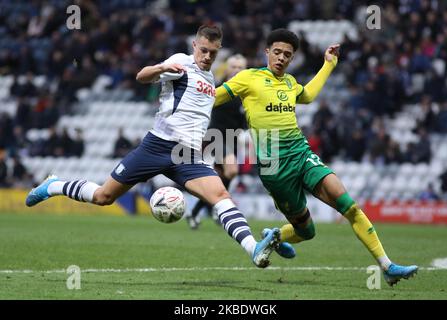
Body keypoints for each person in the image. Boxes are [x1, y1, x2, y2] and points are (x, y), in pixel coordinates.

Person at [25, 25, 284, 269]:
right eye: (203, 50)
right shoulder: (182, 62)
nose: (206, 56)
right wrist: (160, 70)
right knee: (104, 196)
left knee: (221, 196)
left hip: (187, 155)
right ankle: (54, 185)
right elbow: (141, 76)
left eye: (213, 53)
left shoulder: (209, 79)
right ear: (195, 45)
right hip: (157, 146)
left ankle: (253, 249)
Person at [214, 28, 418, 286]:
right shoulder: (248, 78)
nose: (281, 58)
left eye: (287, 54)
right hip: (274, 167)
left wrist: (328, 65)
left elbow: (307, 96)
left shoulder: (289, 82)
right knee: (306, 231)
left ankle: (387, 266)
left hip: (301, 153)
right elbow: (215, 97)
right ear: (267, 52)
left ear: (292, 58)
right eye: (276, 52)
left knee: (350, 207)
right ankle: (275, 236)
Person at [186, 54, 248, 230]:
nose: (236, 70)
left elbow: (243, 121)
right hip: (216, 136)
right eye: (233, 67)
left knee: (222, 178)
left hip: (233, 139)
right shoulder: (218, 88)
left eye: (240, 67)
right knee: (233, 170)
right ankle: (218, 207)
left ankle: (195, 212)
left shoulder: (246, 94)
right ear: (227, 69)